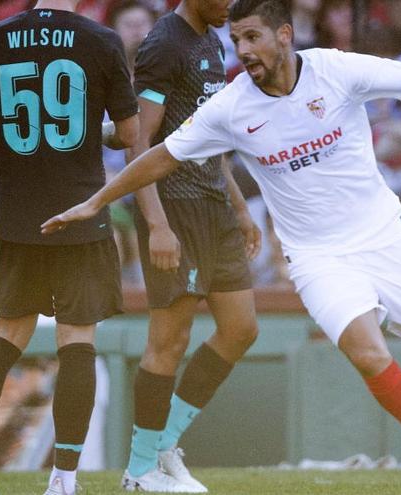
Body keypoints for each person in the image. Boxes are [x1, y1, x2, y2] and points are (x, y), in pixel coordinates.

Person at [43, 1, 401, 494]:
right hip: (317, 257)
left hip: (384, 236)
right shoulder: (231, 105)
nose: (243, 50)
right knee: (369, 354)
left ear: (284, 35)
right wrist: (97, 202)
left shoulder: (336, 70)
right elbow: (160, 155)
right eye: (236, 40)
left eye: (252, 36)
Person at [0, 0, 139, 492]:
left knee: (8, 334)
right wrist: (96, 128)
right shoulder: (102, 40)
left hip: (17, 220)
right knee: (77, 342)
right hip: (80, 216)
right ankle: (64, 478)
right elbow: (131, 134)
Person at [121, 0, 261, 492]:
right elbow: (139, 143)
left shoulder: (212, 37)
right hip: (174, 208)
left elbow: (208, 136)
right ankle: (139, 471)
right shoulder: (163, 44)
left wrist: (240, 207)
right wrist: (156, 224)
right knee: (169, 340)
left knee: (241, 328)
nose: (231, 3)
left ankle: (163, 445)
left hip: (213, 205)